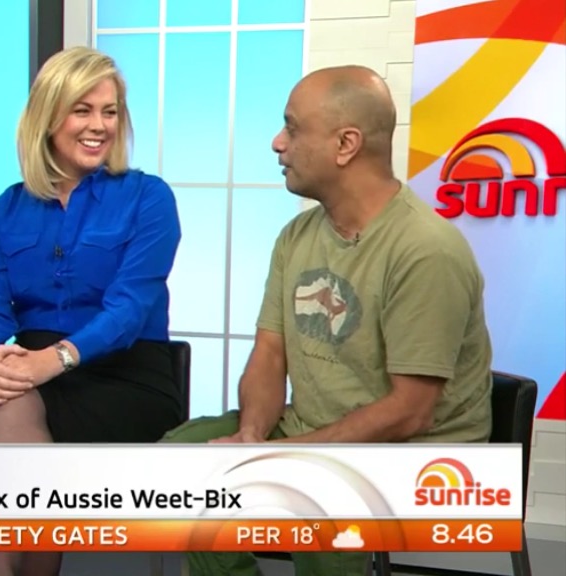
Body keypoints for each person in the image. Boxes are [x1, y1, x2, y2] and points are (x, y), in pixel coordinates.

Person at [161, 65, 494, 576]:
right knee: (182, 461)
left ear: (346, 145)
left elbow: (410, 413)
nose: (277, 143)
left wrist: (281, 458)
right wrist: (251, 436)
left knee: (317, 495)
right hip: (315, 432)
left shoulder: (426, 251)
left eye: (292, 128)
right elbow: (270, 352)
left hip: (416, 456)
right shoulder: (296, 236)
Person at [0, 46, 185, 576]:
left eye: (110, 112)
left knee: (12, 401)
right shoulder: (3, 212)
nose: (99, 126)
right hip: (34, 375)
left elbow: (130, 309)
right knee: (5, 392)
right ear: (48, 117)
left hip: (125, 375)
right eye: (83, 110)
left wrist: (51, 360)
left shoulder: (148, 198)